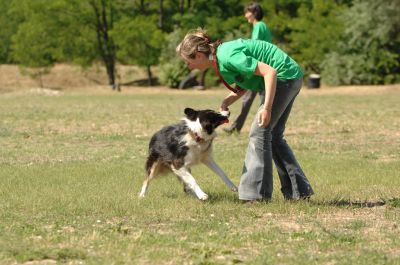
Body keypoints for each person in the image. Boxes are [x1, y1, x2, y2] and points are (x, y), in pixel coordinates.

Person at [176, 29, 314, 202]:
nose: (189, 67)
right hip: (290, 75)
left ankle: (256, 196)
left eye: (188, 62)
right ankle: (299, 193)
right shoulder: (220, 58)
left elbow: (269, 72)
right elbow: (245, 82)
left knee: (259, 133)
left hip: (284, 77)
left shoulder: (227, 56)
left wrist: (267, 108)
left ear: (197, 54)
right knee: (274, 136)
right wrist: (227, 101)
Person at [224, 2, 272, 134]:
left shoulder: (259, 25)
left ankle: (260, 128)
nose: (245, 15)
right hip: (263, 67)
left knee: (253, 100)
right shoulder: (262, 26)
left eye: (247, 12)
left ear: (254, 13)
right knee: (256, 99)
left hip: (260, 69)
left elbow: (253, 47)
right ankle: (239, 127)